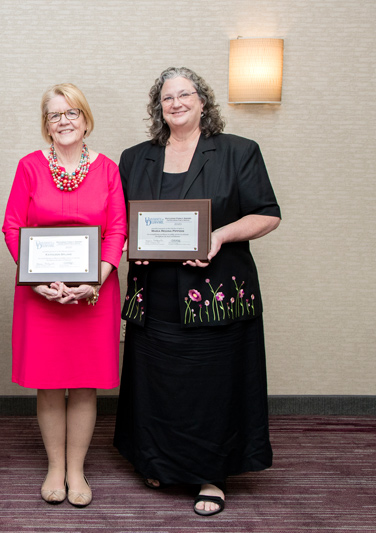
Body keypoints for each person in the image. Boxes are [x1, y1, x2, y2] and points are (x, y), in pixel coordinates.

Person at [113, 67, 281, 516]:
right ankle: (159, 461)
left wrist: (220, 236)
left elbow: (267, 215)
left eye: (185, 94)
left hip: (215, 294)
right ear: (158, 107)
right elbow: (123, 222)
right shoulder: (135, 158)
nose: (176, 103)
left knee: (212, 387)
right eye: (167, 98)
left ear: (203, 101)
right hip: (155, 296)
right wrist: (132, 245)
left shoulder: (238, 152)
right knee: (158, 383)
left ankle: (212, 474)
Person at [2, 84, 127, 508]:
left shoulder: (108, 169)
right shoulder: (30, 167)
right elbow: (12, 227)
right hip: (42, 296)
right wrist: (35, 281)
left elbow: (117, 231)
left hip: (94, 294)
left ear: (86, 119)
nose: (65, 121)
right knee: (50, 385)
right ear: (46, 125)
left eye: (72, 112)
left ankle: (77, 469)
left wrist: (98, 280)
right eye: (55, 115)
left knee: (87, 384)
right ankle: (55, 467)